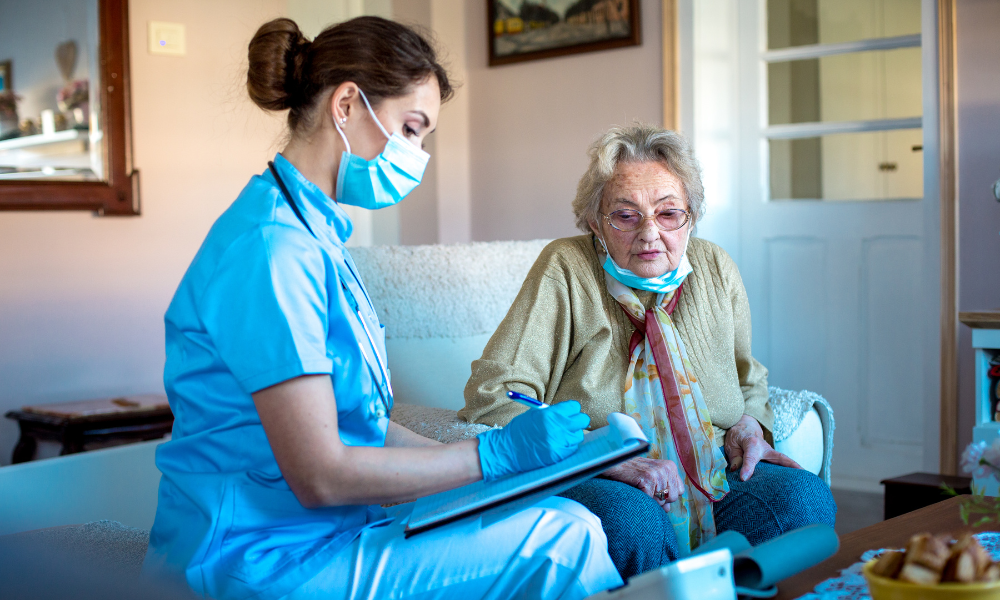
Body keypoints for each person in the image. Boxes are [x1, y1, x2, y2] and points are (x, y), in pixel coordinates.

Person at [141, 16, 623, 600]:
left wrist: (507, 469)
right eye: (411, 128)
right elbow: (320, 475)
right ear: (346, 105)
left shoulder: (316, 238)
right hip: (256, 561)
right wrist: (490, 455)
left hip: (330, 532)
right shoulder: (272, 251)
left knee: (564, 517)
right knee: (559, 542)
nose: (417, 156)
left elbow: (362, 427)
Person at [459, 124, 837, 580]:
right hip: (599, 467)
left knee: (804, 498)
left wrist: (750, 424)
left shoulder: (715, 267)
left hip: (710, 462)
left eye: (668, 213)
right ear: (596, 223)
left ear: (691, 218)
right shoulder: (565, 267)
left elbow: (747, 376)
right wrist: (601, 456)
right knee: (633, 522)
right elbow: (492, 394)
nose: (649, 234)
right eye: (625, 215)